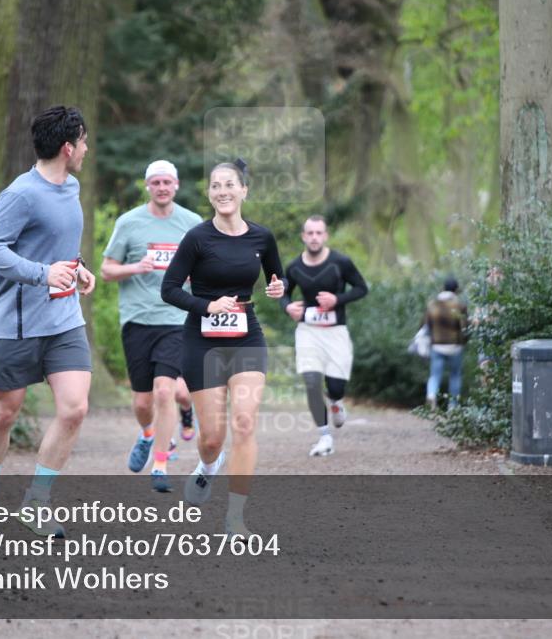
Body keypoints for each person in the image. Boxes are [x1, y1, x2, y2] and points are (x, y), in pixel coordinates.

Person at [0, 105, 96, 539]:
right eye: (83, 141)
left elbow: (55, 244)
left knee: (75, 408)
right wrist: (43, 274)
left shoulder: (72, 187)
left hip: (64, 320)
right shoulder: (20, 194)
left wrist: (77, 268)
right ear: (67, 147)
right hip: (17, 323)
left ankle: (37, 502)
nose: (87, 149)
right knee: (5, 412)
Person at [160, 159, 284, 536]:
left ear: (244, 190)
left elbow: (277, 278)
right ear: (209, 193)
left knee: (244, 423)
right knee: (212, 438)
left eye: (230, 184)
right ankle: (207, 467)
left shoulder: (262, 238)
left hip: (247, 338)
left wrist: (279, 288)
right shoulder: (197, 238)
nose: (223, 191)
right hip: (202, 343)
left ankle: (235, 517)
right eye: (215, 185)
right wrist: (207, 306)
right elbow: (169, 289)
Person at [101, 159, 201, 493]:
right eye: (155, 182)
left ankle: (160, 464)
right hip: (137, 320)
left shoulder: (192, 223)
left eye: (167, 182)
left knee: (165, 391)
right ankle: (147, 434)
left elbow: (208, 268)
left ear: (176, 185)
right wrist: (136, 267)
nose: (161, 188)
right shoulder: (129, 223)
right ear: (147, 186)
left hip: (177, 319)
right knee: (143, 403)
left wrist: (196, 277)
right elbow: (107, 270)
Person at [280, 215, 368, 456]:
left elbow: (362, 288)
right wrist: (288, 307)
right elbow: (283, 294)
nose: (314, 237)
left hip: (336, 332)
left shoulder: (341, 262)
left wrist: (337, 299)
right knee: (311, 382)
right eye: (310, 233)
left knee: (335, 387)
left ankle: (336, 402)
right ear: (303, 236)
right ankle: (324, 437)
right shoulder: (294, 267)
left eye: (319, 233)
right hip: (307, 331)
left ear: (325, 236)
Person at [424, 276, 468, 409]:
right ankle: (453, 406)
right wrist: (464, 341)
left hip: (437, 345)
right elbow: (465, 327)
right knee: (455, 375)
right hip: (455, 346)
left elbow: (426, 325)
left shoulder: (432, 305)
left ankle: (431, 395)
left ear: (443, 288)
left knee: (434, 375)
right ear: (456, 290)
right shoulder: (460, 306)